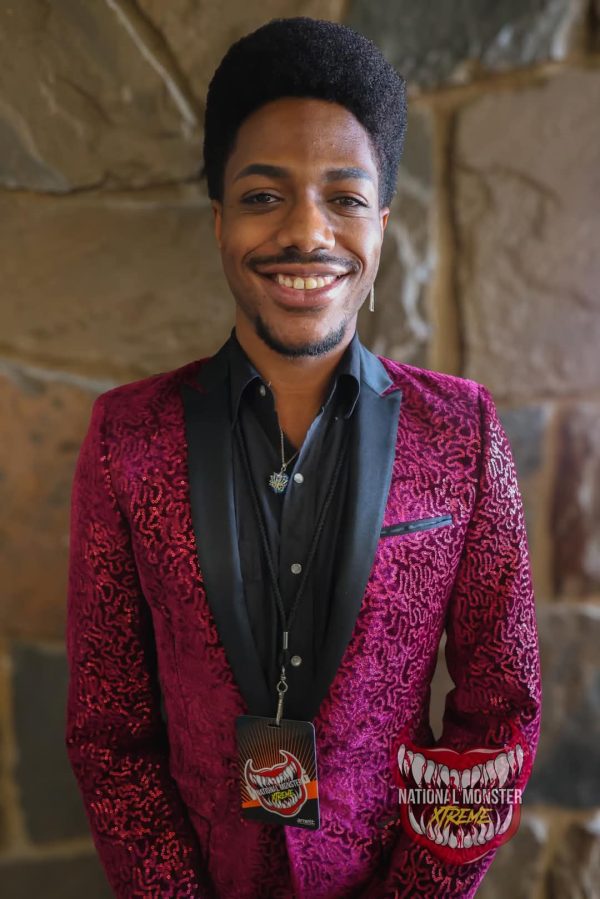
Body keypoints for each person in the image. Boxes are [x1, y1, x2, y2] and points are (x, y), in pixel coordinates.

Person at [65, 17, 541, 899]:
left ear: (382, 226)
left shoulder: (462, 433)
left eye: (345, 198)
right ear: (220, 221)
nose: (306, 232)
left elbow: (499, 718)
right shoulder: (126, 437)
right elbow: (109, 733)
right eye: (263, 195)